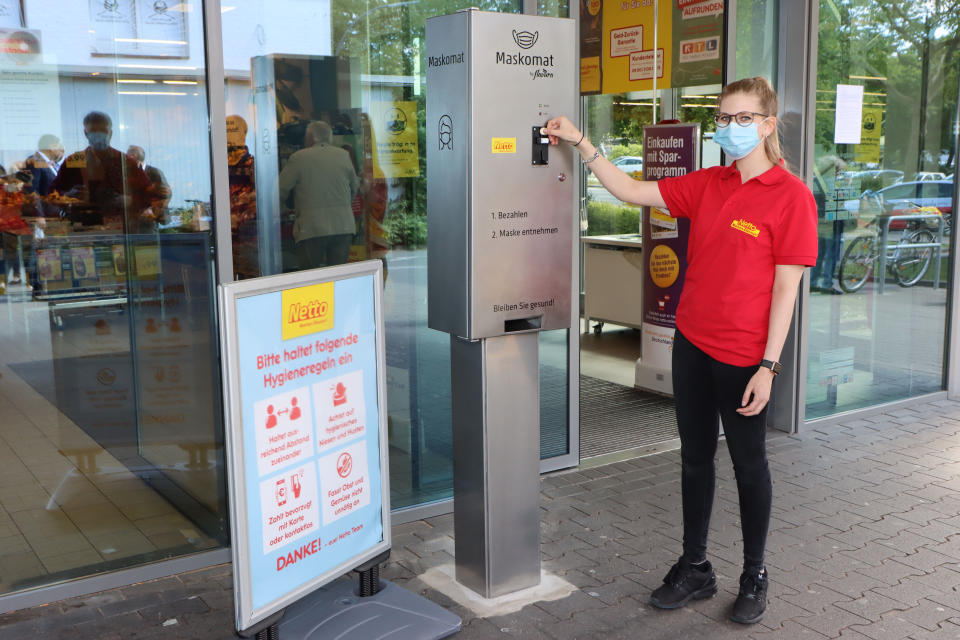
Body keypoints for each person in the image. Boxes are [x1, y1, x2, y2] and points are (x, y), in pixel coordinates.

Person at [543, 76, 817, 625]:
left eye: (742, 119)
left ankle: (754, 573)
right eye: (722, 118)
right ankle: (695, 567)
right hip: (691, 345)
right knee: (694, 459)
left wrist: (769, 365)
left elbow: (786, 290)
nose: (729, 128)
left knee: (748, 464)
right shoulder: (707, 184)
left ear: (767, 126)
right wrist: (581, 142)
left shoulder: (792, 197)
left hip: (744, 357)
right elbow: (628, 190)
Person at [51, 111, 154, 232]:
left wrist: (127, 199)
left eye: (103, 131)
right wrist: (68, 195)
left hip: (119, 227)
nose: (99, 135)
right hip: (81, 229)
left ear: (110, 133)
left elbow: (148, 195)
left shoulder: (125, 161)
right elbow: (52, 193)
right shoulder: (74, 161)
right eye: (94, 130)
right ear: (86, 133)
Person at [279, 121, 358, 269]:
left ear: (309, 138)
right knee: (339, 277)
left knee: (310, 278)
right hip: (343, 226)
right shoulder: (344, 155)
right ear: (330, 137)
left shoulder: (299, 157)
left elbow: (280, 190)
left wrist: (281, 210)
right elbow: (354, 188)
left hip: (311, 228)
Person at [126, 145, 172, 224]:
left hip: (151, 221)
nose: (125, 159)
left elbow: (166, 194)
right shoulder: (130, 174)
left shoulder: (154, 172)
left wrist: (153, 210)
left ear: (133, 156)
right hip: (134, 221)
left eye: (127, 156)